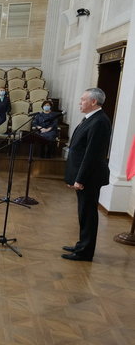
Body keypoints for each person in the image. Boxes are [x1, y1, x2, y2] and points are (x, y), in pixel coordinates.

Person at [62, 88, 112, 262]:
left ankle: (85, 252)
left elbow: (92, 155)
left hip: (89, 177)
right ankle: (81, 245)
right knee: (83, 213)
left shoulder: (99, 122)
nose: (80, 102)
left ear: (93, 102)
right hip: (85, 175)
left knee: (88, 214)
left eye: (83, 99)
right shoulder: (91, 119)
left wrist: (80, 178)